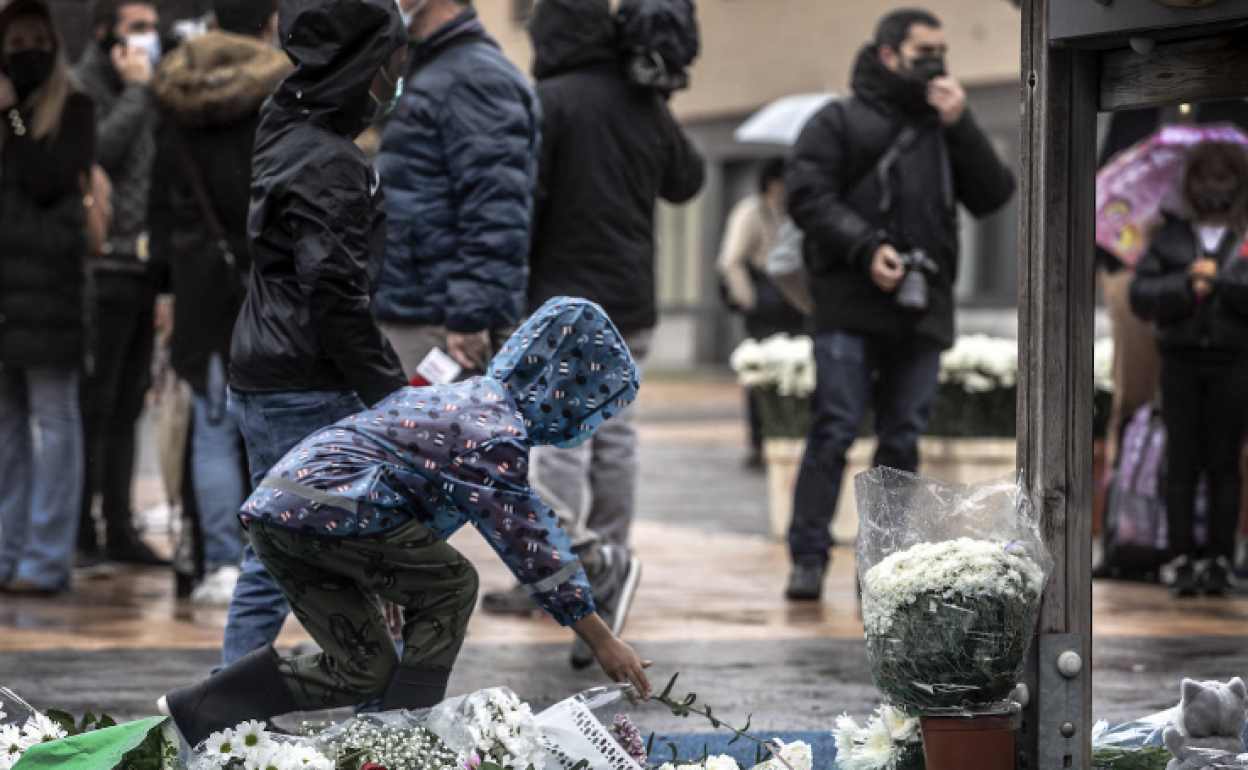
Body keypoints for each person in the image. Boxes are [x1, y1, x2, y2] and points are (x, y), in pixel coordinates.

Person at [159, 298, 654, 746]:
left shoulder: (465, 398)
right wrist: (602, 639)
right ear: (563, 388)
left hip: (280, 512)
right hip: (331, 512)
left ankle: (203, 707)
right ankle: (404, 741)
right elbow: (531, 546)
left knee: (364, 668)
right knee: (453, 583)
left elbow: (400, 479)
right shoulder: (493, 426)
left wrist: (388, 580)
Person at [479, 0, 705, 673]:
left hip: (561, 303)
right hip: (631, 300)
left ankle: (570, 571)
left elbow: (527, 204)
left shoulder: (547, 100)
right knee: (617, 437)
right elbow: (688, 181)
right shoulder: (642, 99)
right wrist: (656, 101)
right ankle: (606, 559)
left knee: (558, 442)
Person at [783, 8, 1015, 601]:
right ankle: (807, 559)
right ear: (888, 54)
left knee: (903, 440)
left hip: (921, 308)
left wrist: (961, 122)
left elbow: (993, 195)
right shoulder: (836, 120)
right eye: (923, 51)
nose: (936, 61)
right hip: (847, 305)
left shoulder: (944, 124)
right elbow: (808, 197)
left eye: (942, 50)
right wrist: (866, 249)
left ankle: (883, 567)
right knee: (834, 428)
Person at [218, 0, 409, 668]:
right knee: (291, 552)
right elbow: (334, 295)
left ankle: (377, 699)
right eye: (392, 60)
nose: (397, 75)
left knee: (295, 548)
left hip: (280, 371)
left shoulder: (287, 123)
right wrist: (394, 393)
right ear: (361, 63)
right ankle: (223, 712)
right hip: (305, 380)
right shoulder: (327, 161)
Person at [148, 0, 288, 605]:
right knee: (266, 428)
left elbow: (159, 197)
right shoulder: (279, 94)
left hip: (198, 280)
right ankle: (272, 562)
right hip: (264, 281)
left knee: (209, 425)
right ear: (267, 22)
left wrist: (164, 287)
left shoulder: (176, 91)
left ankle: (220, 564)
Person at [373, 0, 539, 377]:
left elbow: (496, 207)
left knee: (428, 435)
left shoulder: (475, 77)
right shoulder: (431, 68)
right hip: (418, 310)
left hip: (443, 326)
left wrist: (470, 314)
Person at [0, 0, 95, 595]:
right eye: (16, 41)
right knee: (6, 429)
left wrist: (11, 120)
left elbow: (49, 179)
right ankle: (7, 550)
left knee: (55, 423)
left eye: (37, 39)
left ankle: (45, 556)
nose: (26, 50)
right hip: (6, 296)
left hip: (50, 295)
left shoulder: (75, 108)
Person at [1129, 142, 1248, 599]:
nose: (1213, 189)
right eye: (1204, 178)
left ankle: (1220, 558)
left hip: (1233, 362)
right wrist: (1185, 283)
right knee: (1180, 463)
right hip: (1178, 363)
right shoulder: (1168, 237)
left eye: (1224, 179)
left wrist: (1222, 279)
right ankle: (1180, 557)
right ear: (1188, 183)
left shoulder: (1243, 238)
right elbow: (1141, 295)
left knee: (1224, 463)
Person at [75, 0, 167, 569]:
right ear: (106, 33)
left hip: (144, 266)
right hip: (100, 268)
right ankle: (82, 527)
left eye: (153, 28)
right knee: (96, 404)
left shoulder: (155, 88)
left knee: (131, 404)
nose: (148, 40)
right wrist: (137, 92)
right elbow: (97, 153)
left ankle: (121, 524)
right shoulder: (82, 85)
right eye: (137, 28)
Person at [717, 158, 807, 469]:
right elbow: (730, 260)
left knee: (799, 370)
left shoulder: (796, 212)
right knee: (760, 374)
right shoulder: (750, 212)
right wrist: (750, 299)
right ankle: (760, 440)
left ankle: (791, 434)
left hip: (797, 303)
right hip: (764, 304)